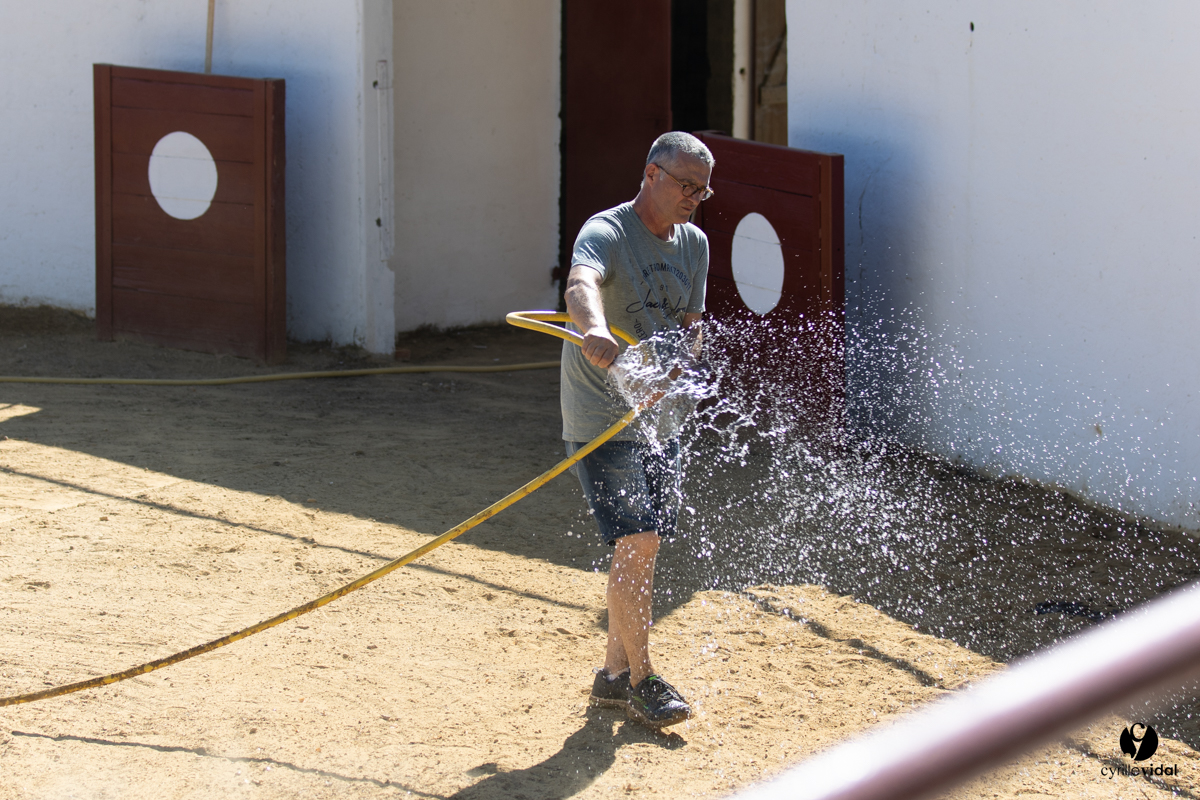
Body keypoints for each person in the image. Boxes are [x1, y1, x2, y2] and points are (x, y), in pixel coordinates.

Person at [561, 131, 714, 728]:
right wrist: (595, 329)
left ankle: (611, 676)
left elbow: (692, 324)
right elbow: (581, 284)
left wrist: (677, 373)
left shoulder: (695, 244)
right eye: (685, 185)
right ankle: (644, 680)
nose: (695, 198)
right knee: (639, 542)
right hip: (603, 417)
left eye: (702, 189)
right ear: (651, 174)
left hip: (660, 417)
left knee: (640, 549)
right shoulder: (606, 231)